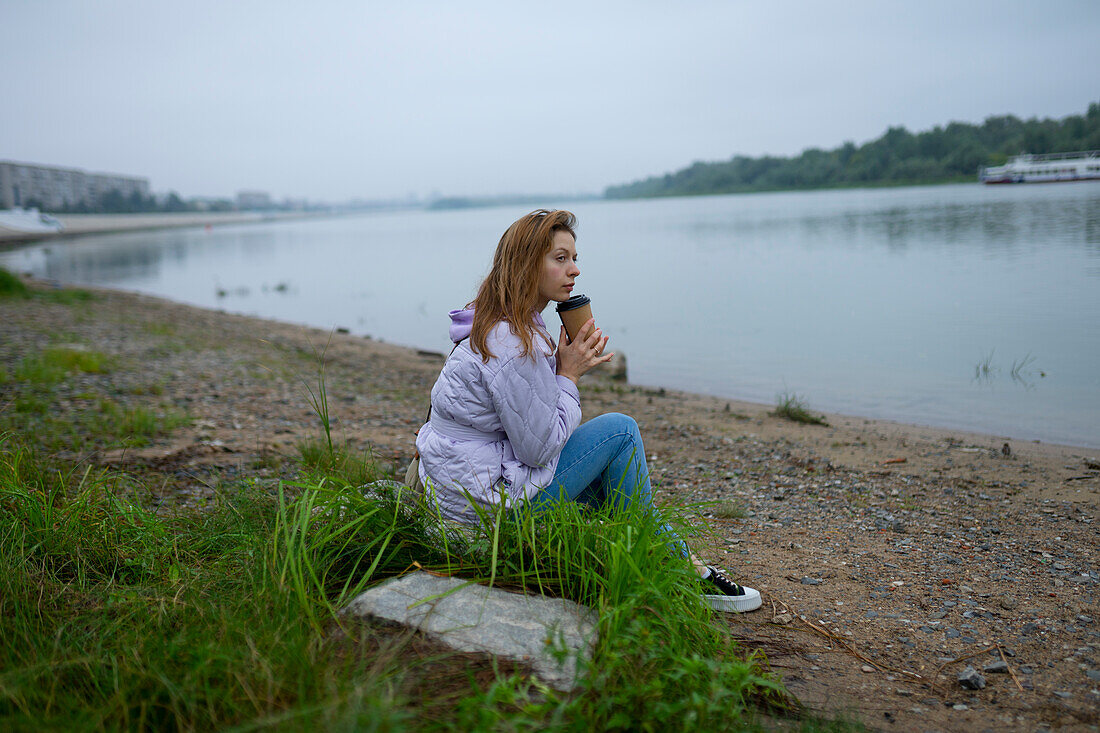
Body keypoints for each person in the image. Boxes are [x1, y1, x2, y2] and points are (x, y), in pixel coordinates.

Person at [415, 209, 760, 613]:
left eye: (574, 258)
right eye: (560, 258)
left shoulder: (498, 318)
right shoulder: (511, 341)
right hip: (487, 518)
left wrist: (559, 370)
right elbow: (537, 450)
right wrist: (569, 375)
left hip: (465, 495)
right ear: (528, 263)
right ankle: (679, 569)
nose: (574, 270)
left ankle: (677, 565)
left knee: (613, 480)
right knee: (620, 432)